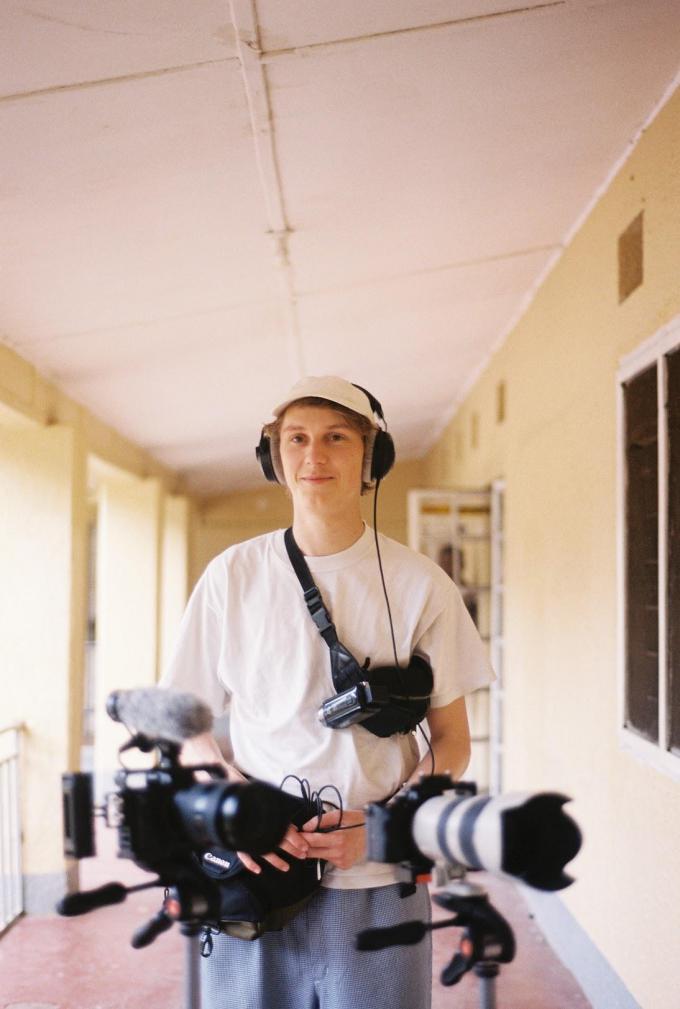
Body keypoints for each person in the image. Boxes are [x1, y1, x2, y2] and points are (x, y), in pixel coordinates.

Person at [161, 375, 494, 1009]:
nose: (314, 456)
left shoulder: (422, 585)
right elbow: (186, 723)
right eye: (297, 439)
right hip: (253, 873)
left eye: (336, 438)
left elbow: (452, 742)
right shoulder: (231, 576)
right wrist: (235, 806)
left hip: (377, 879)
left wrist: (384, 826)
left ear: (372, 458)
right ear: (275, 458)